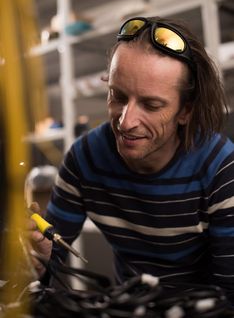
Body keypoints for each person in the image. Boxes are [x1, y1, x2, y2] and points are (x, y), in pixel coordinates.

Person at [29, 16, 234, 303]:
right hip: (131, 305)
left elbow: (229, 293)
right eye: (118, 96)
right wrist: (39, 258)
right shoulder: (84, 158)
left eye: (151, 105)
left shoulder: (221, 167)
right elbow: (51, 255)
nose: (126, 122)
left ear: (186, 111)